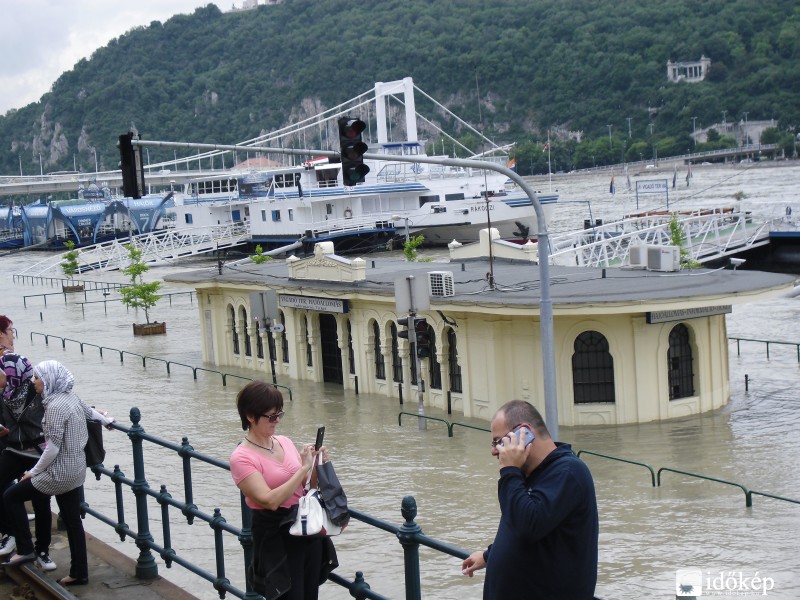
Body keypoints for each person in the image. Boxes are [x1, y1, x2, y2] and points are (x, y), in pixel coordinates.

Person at [461, 400, 599, 599]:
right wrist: (489, 555)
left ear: (523, 433)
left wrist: (509, 470)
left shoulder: (568, 472)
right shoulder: (527, 474)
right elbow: (519, 525)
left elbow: (530, 525)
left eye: (498, 442)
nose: (493, 451)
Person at [1, 360, 114, 588]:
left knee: (10, 497)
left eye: (37, 378)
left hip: (58, 474)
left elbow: (51, 449)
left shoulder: (53, 407)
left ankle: (25, 549)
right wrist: (108, 421)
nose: (33, 382)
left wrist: (32, 472)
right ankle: (79, 573)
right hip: (77, 471)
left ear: (49, 380)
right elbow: (90, 412)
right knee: (73, 521)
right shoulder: (70, 397)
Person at [230, 380, 337, 600]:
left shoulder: (284, 442)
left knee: (309, 595)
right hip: (276, 535)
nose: (277, 421)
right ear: (251, 416)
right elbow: (269, 500)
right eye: (271, 416)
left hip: (303, 530)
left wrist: (316, 464)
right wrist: (303, 468)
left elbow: (305, 488)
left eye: (280, 414)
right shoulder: (242, 457)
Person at [0, 353, 55, 570]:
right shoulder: (4, 393)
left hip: (38, 450)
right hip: (15, 448)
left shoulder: (36, 389)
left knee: (41, 499)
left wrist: (95, 414)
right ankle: (14, 535)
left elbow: (61, 404)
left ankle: (42, 551)